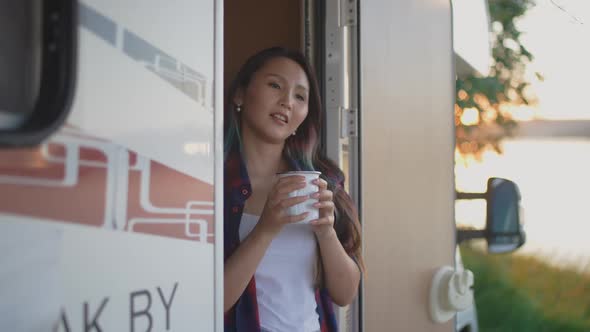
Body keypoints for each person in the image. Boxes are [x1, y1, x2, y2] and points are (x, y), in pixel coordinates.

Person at [224, 47, 364, 332]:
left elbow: (345, 293)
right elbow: (210, 301)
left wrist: (326, 232)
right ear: (240, 94)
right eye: (275, 85)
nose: (287, 101)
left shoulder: (324, 182)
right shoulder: (213, 186)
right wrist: (265, 230)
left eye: (300, 96)